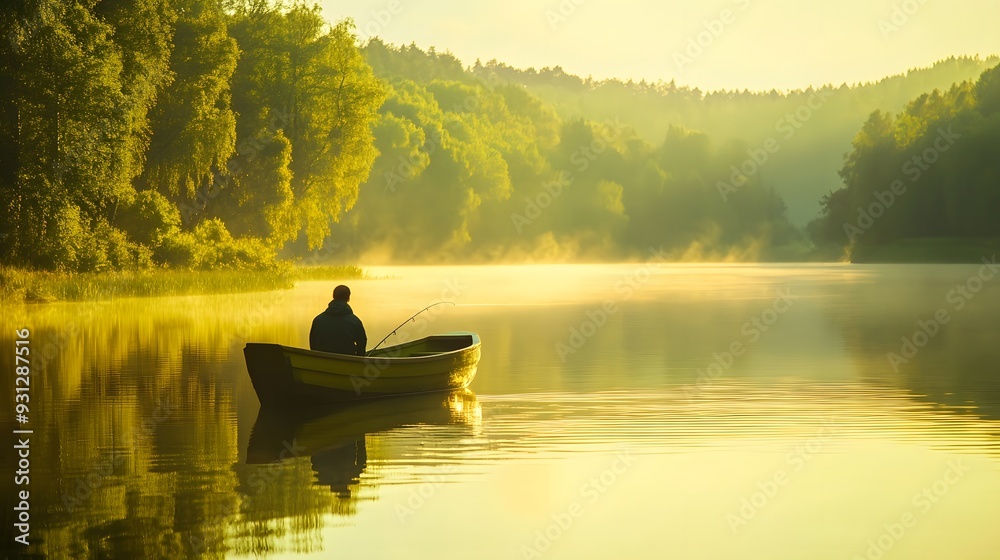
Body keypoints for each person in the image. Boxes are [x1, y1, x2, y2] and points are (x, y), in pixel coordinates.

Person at [309, 285, 367, 356]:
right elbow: (362, 344)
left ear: (333, 296)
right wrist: (358, 359)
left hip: (321, 359)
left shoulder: (318, 320)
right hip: (347, 360)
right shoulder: (355, 321)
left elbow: (313, 342)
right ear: (348, 298)